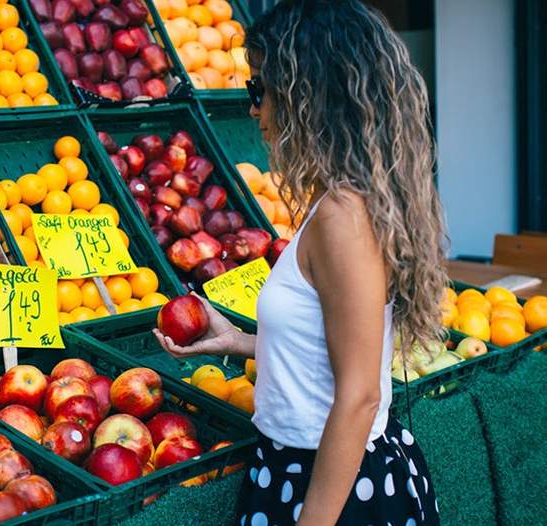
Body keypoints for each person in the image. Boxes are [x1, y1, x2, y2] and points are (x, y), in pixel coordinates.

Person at [153, 1, 446, 524]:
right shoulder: (334, 202)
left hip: (332, 486)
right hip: (310, 469)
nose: (253, 110)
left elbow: (358, 396)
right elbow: (327, 352)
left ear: (306, 97)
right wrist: (241, 341)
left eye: (259, 90)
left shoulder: (342, 216)